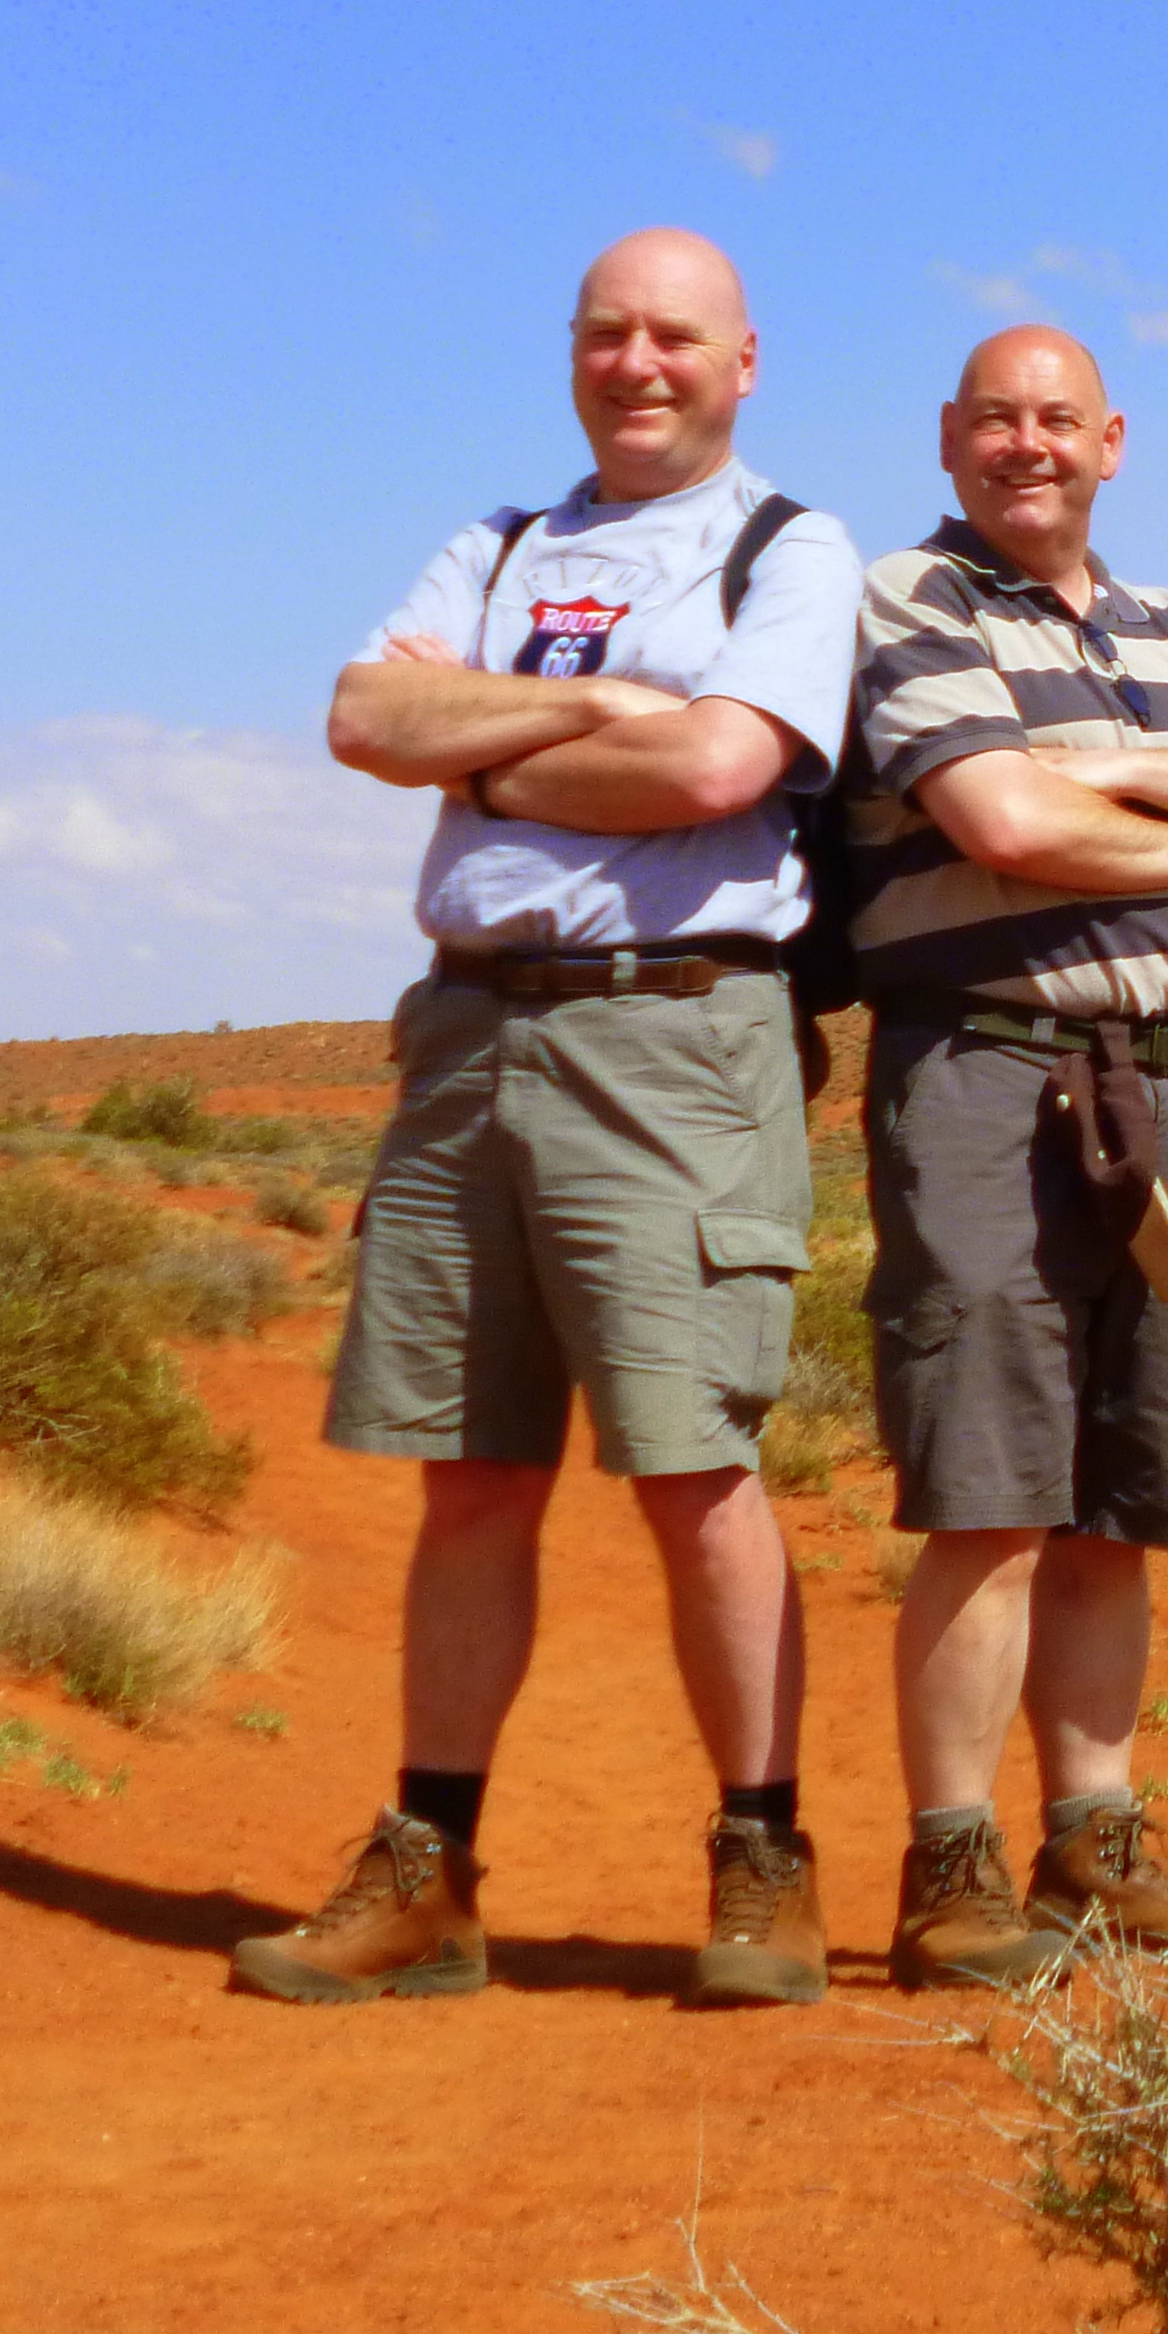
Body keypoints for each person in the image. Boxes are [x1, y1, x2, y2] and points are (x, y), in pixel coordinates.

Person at [234, 229, 864, 2010]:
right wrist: (599, 704)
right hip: (468, 1041)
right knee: (472, 1476)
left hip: (672, 1042)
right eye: (607, 332)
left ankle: (764, 1860)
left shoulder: (788, 548)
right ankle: (428, 1874)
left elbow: (723, 768)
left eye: (677, 335)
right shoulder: (498, 544)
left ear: (746, 360)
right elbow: (365, 714)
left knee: (695, 1467)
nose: (638, 361)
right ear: (571, 352)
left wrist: (483, 749)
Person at [846, 322, 1168, 1989]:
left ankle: (1094, 1840)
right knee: (992, 1490)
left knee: (1122, 1495)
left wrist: (1122, 766)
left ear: (1112, 441)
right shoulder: (907, 605)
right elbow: (1002, 824)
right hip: (988, 1072)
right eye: (996, 419)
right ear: (949, 438)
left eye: (1057, 420)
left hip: (1166, 1090)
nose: (1027, 445)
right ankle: (947, 1870)